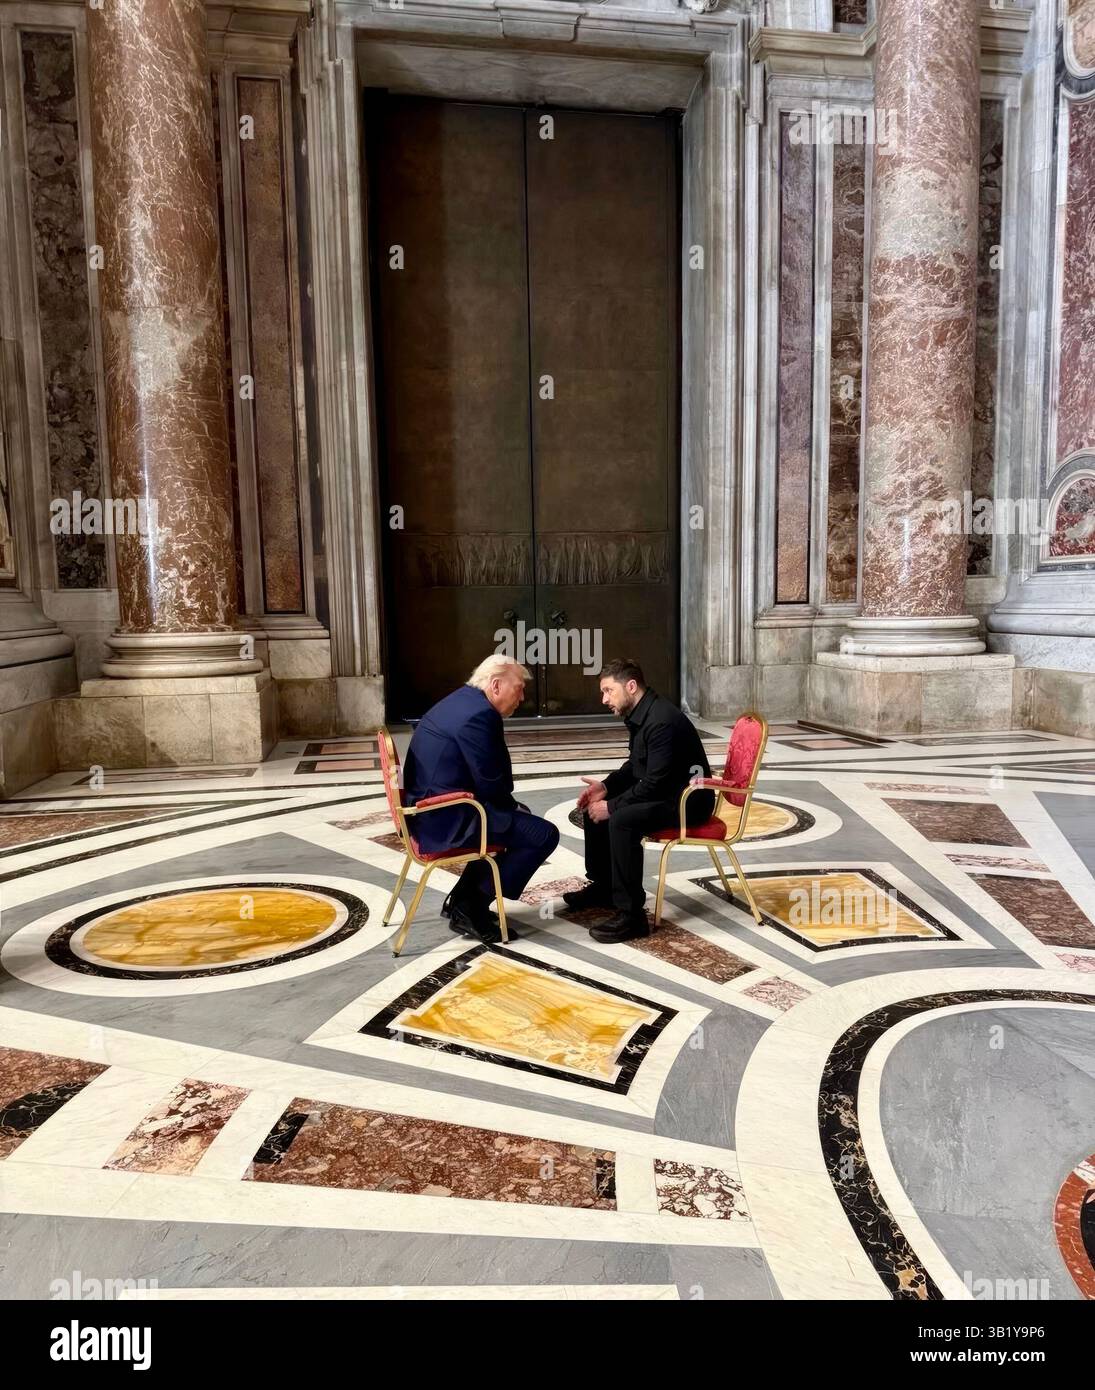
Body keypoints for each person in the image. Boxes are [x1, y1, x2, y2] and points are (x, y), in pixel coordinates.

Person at [403, 655, 559, 944]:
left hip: (430, 809)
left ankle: (462, 897)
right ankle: (469, 906)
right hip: (446, 818)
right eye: (519, 688)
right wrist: (512, 806)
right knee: (542, 834)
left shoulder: (462, 700)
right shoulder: (479, 715)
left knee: (513, 821)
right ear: (496, 685)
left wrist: (508, 805)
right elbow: (492, 783)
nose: (522, 697)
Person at [563, 657, 714, 942]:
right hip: (668, 792)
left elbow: (655, 783)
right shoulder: (643, 714)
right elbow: (636, 767)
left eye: (609, 690)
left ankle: (632, 916)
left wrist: (612, 806)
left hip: (688, 803)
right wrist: (605, 788)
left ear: (630, 686)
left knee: (621, 819)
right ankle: (605, 886)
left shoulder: (661, 722)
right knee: (594, 809)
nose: (604, 698)